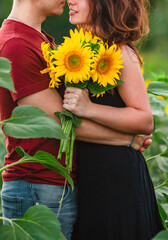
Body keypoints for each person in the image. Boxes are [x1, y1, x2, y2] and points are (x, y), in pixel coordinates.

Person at [0, 0, 151, 239]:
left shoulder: (44, 41)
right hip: (38, 184)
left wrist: (126, 124)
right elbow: (56, 123)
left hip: (64, 183)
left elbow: (140, 116)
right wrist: (127, 138)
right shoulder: (17, 43)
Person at [64, 0, 164, 239]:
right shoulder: (79, 50)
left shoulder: (119, 52)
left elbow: (144, 119)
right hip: (91, 174)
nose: (71, 0)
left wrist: (88, 108)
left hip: (116, 178)